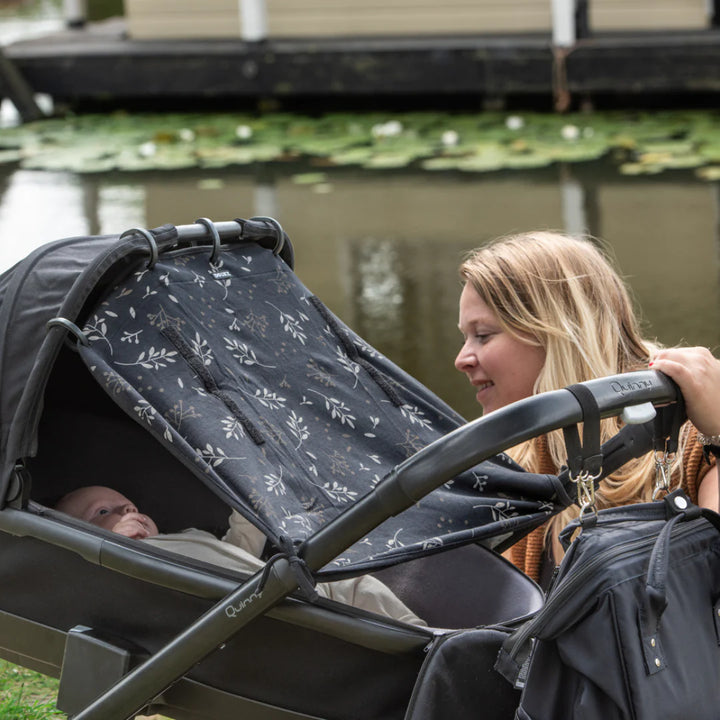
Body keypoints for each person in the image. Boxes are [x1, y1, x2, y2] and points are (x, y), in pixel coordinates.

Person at [453, 230, 720, 586]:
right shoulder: (517, 469)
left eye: (483, 335)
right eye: (465, 338)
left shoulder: (694, 435)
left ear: (559, 331)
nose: (462, 360)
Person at [54, 485, 426, 626]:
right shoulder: (124, 566)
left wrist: (250, 501)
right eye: (103, 513)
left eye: (128, 504)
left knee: (352, 581)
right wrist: (121, 548)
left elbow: (237, 547)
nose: (126, 512)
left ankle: (422, 635)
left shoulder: (186, 538)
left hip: (300, 587)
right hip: (259, 613)